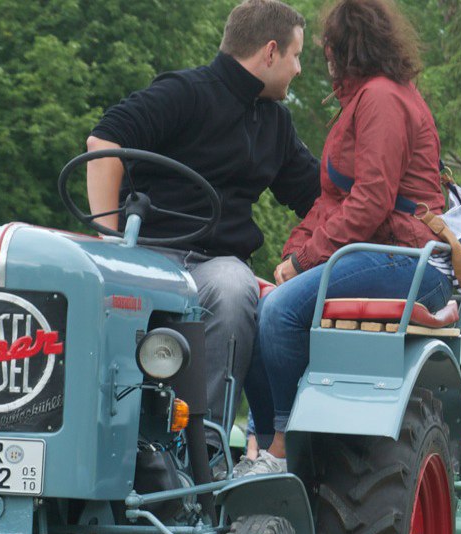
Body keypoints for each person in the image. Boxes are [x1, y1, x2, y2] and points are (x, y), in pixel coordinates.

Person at [86, 0, 320, 430]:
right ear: (270, 52)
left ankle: (202, 442)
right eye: (296, 55)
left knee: (235, 287)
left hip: (218, 265)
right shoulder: (184, 92)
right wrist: (110, 247)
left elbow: (319, 198)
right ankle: (106, 430)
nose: (299, 69)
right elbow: (104, 141)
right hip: (151, 255)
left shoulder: (277, 124)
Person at [243, 0, 451, 475]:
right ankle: (263, 439)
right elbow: (333, 200)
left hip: (407, 260)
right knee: (253, 309)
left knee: (279, 311)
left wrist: (306, 262)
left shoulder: (381, 99)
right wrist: (295, 253)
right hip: (376, 254)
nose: (323, 60)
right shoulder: (361, 102)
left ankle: (283, 450)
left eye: (327, 50)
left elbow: (372, 201)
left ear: (345, 47)